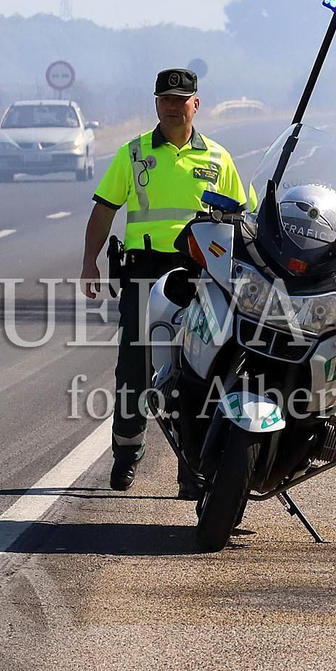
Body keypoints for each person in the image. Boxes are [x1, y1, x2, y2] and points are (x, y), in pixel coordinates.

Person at [80, 68, 248, 497]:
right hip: (144, 271)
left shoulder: (218, 158)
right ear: (156, 104)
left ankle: (193, 468)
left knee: (200, 370)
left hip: (201, 276)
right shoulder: (133, 154)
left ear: (196, 104)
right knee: (136, 366)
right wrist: (89, 262)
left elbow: (239, 221)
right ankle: (126, 453)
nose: (173, 106)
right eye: (165, 99)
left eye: (181, 99)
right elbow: (104, 210)